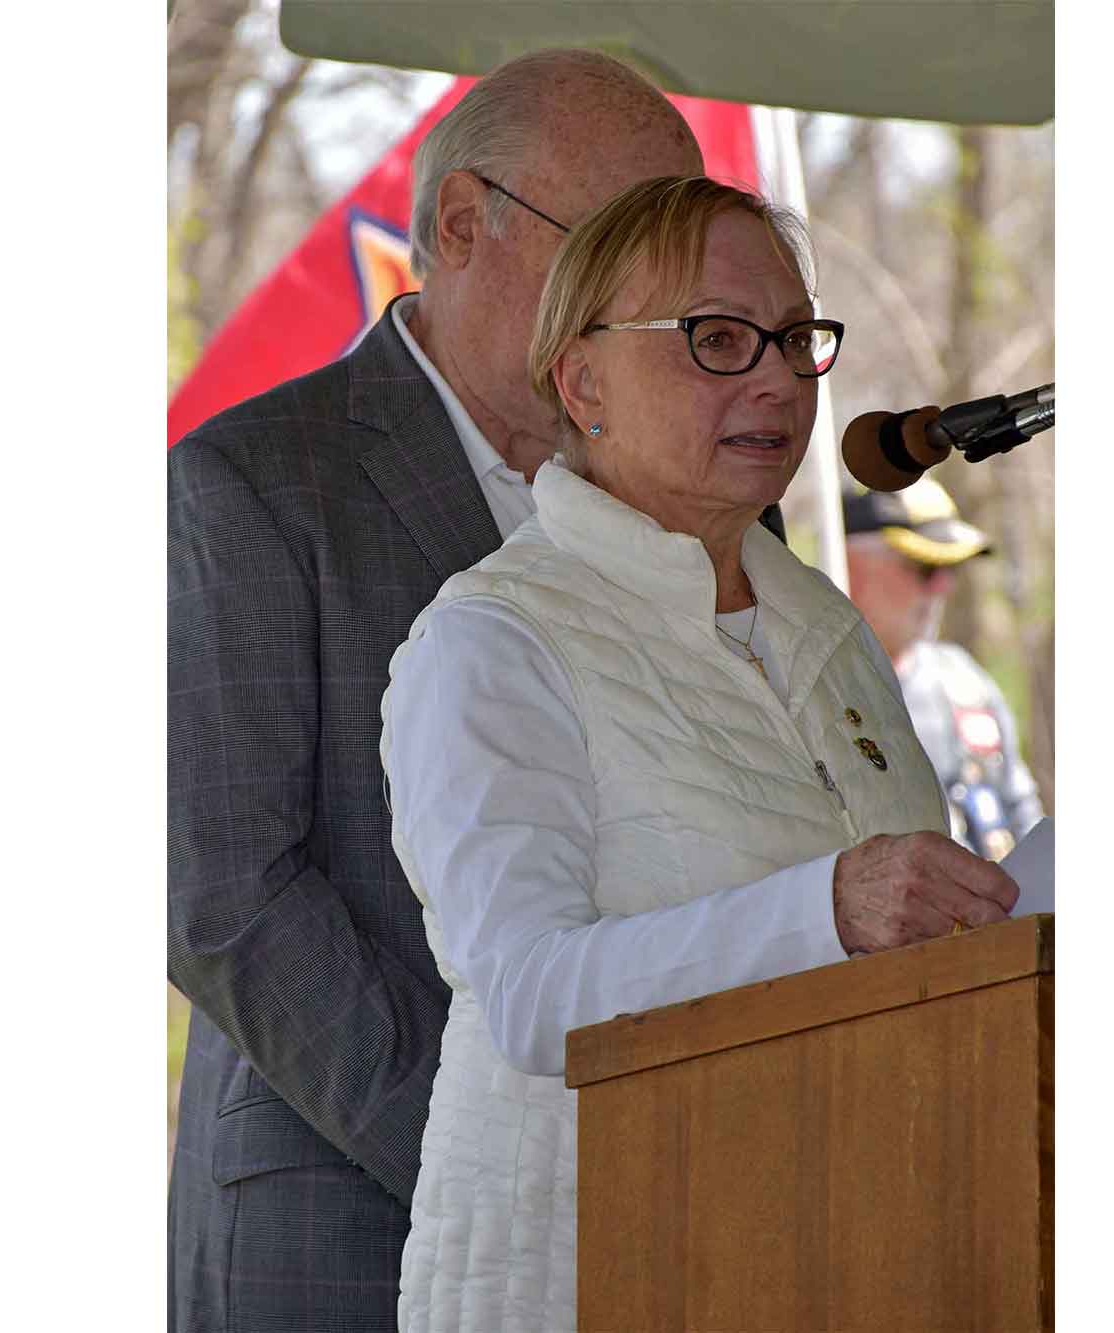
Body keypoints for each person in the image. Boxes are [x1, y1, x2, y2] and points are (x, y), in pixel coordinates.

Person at [380, 175, 1020, 1333]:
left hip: (847, 1251)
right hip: (593, 1271)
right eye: (715, 339)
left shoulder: (824, 627)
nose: (775, 376)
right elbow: (528, 996)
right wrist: (826, 909)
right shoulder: (491, 639)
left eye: (791, 339)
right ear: (581, 383)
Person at [166, 50, 711, 1332]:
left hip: (682, 1198)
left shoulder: (703, 511)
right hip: (351, 1205)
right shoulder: (253, 483)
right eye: (620, 250)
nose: (661, 305)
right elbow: (222, 893)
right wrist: (493, 1150)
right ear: (463, 226)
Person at [843, 481, 1046, 859]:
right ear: (849, 567)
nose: (943, 587)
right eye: (923, 567)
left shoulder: (964, 681)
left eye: (949, 569)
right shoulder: (815, 695)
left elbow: (1025, 820)